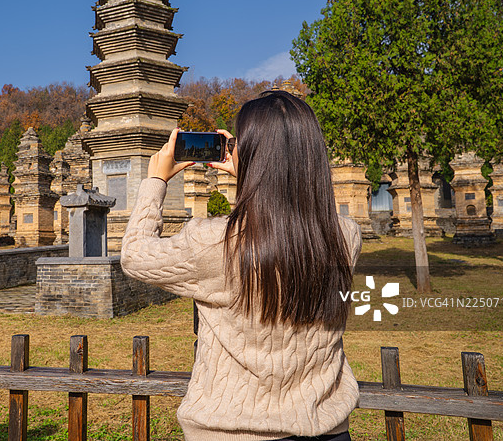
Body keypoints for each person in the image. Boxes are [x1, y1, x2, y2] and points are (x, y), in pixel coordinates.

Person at [120, 91, 362, 441]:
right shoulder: (346, 236)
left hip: (233, 433)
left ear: (251, 158)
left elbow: (134, 254)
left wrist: (156, 181)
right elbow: (282, 226)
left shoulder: (213, 244)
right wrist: (254, 173)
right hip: (327, 431)